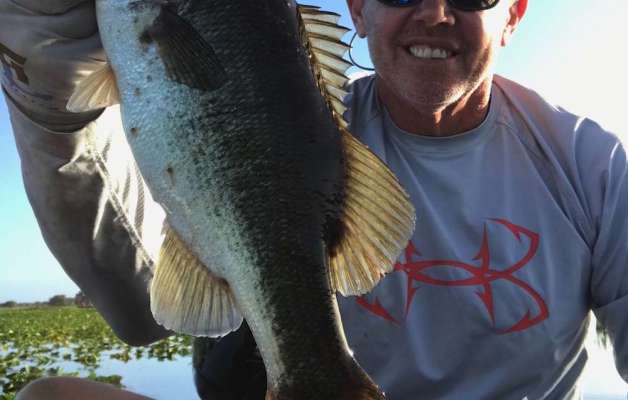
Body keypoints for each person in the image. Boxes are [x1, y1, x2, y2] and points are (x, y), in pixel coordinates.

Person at [1, 0, 626, 399]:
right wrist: (48, 101)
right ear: (357, 10)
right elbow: (138, 303)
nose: (435, 12)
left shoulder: (589, 165)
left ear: (514, 14)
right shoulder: (312, 123)